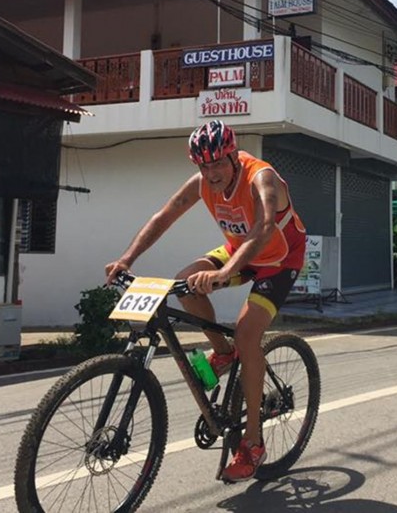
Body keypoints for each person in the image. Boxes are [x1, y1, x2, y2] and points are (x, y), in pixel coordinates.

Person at [105, 120, 306, 482]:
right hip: (238, 253)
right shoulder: (202, 182)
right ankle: (222, 351)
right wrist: (127, 259)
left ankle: (253, 442)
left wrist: (223, 272)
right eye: (204, 166)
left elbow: (262, 228)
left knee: (247, 334)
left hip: (279, 260)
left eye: (218, 163)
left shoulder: (262, 177)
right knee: (184, 283)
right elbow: (163, 216)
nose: (211, 173)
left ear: (233, 155)